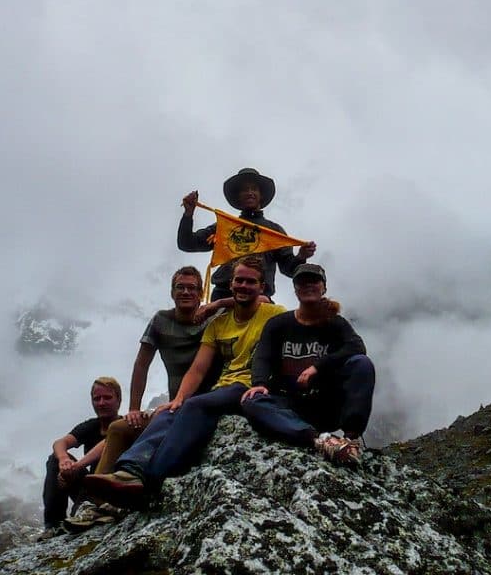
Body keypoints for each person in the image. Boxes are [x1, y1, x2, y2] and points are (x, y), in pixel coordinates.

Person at [84, 256, 286, 507]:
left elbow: (263, 304)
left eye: (192, 288)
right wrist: (146, 406)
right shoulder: (172, 321)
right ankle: (100, 499)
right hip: (195, 396)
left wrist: (215, 305)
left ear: (203, 293)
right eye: (180, 287)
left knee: (183, 410)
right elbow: (160, 365)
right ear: (172, 292)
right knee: (121, 428)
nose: (186, 292)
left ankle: (147, 480)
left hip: (223, 394)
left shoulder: (220, 316)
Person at [241, 264, 375, 464]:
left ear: (324, 288)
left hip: (326, 405)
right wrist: (259, 383)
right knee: (252, 401)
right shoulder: (278, 324)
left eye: (314, 281)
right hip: (290, 405)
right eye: (302, 282)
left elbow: (357, 347)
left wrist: (318, 367)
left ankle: (351, 438)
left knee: (362, 364)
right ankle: (320, 441)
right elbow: (263, 357)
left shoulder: (335, 323)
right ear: (295, 289)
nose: (308, 286)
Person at [178, 167, 316, 299]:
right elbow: (186, 243)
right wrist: (188, 214)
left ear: (260, 195)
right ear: (238, 197)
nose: (250, 192)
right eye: (245, 190)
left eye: (254, 189)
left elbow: (290, 269)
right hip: (223, 296)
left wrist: (301, 256)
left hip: (260, 300)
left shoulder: (274, 231)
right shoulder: (224, 227)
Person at [41, 376, 121, 530]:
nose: (101, 403)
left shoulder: (124, 427)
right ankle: (52, 525)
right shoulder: (91, 426)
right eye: (97, 399)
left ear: (118, 400)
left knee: (79, 517)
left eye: (107, 398)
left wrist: (75, 467)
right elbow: (60, 443)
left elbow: (108, 444)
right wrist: (64, 461)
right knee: (54, 460)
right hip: (90, 485)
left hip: (113, 485)